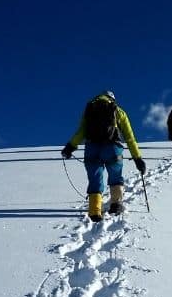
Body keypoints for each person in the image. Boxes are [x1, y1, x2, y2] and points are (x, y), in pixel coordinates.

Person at [61, 91, 146, 221]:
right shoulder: (118, 111)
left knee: (95, 178)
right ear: (112, 99)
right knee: (115, 176)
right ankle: (116, 205)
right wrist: (137, 158)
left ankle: (94, 211)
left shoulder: (90, 109)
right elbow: (130, 137)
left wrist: (70, 147)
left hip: (92, 148)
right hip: (113, 148)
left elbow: (81, 132)